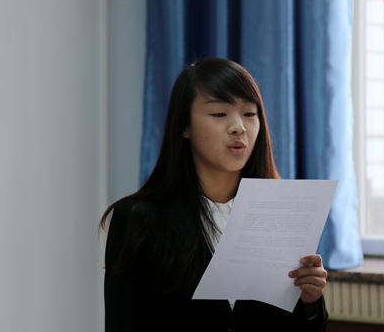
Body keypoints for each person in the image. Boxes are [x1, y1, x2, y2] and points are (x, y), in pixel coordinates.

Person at [100, 58, 328, 331]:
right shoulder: (137, 219)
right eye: (220, 114)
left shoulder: (283, 213)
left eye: (249, 113)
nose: (238, 127)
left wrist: (309, 304)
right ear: (184, 126)